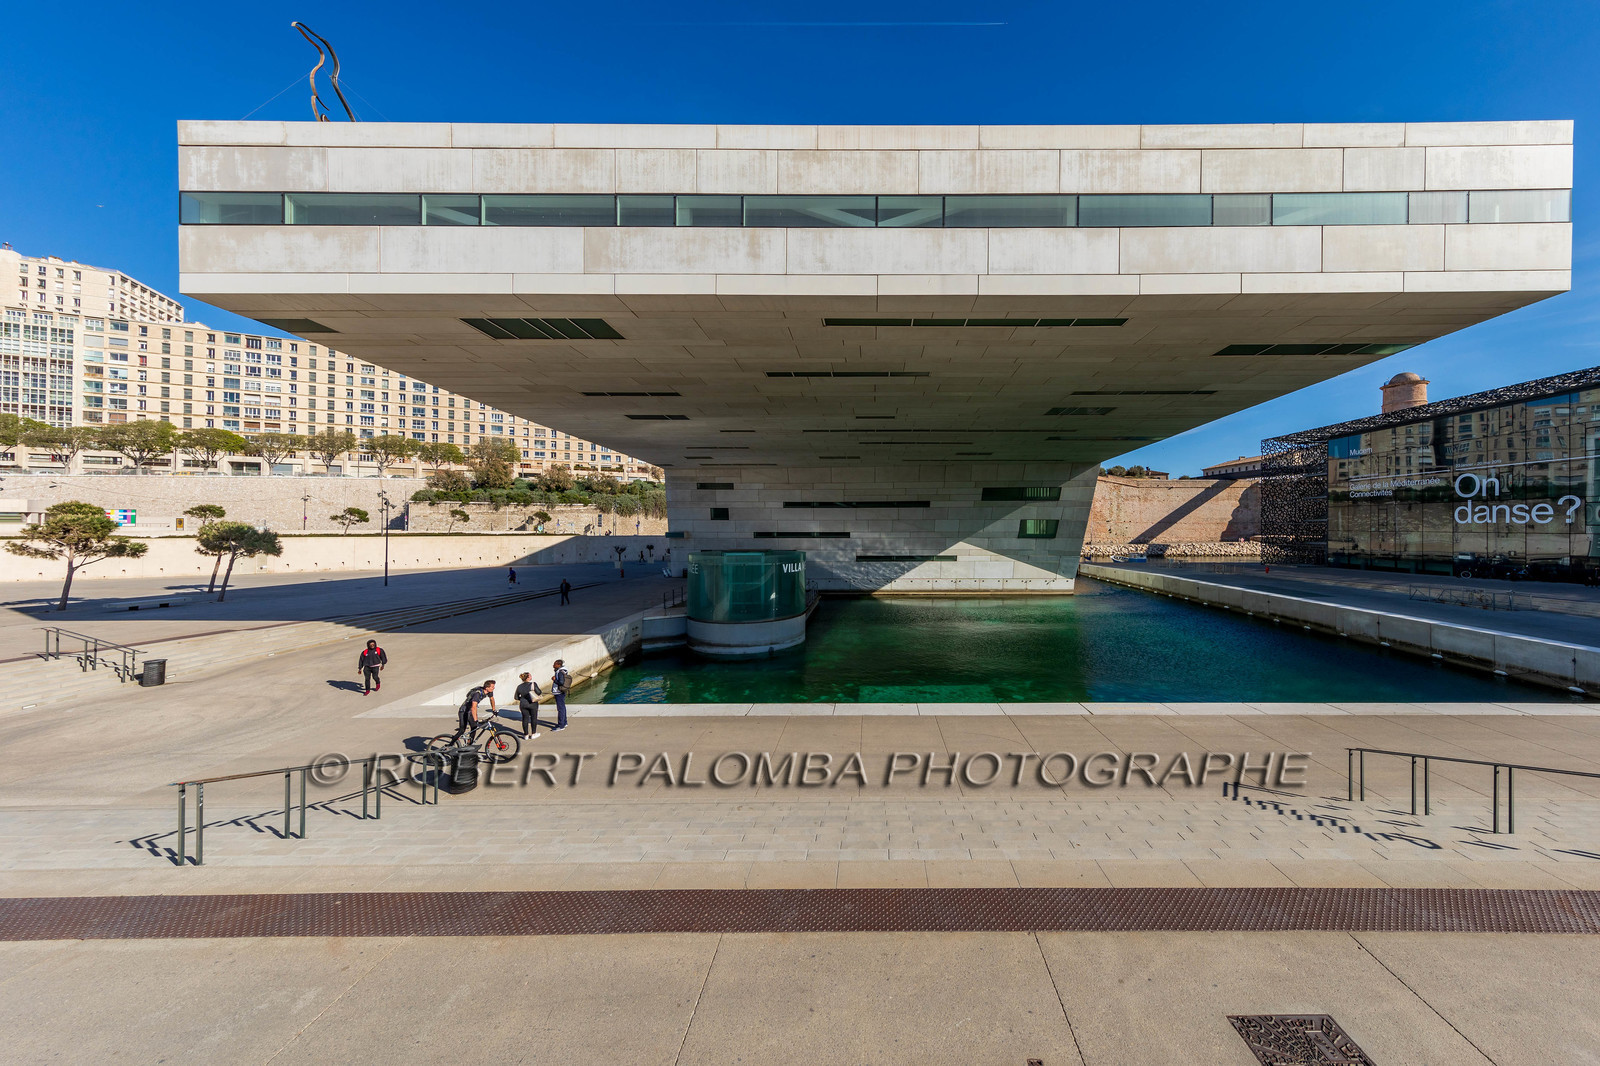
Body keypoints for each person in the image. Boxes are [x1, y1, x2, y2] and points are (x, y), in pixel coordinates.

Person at [452, 679, 497, 745]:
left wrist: (494, 710)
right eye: (492, 687)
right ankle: (449, 745)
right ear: (487, 688)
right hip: (464, 711)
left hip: (470, 711)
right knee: (462, 730)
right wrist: (476, 720)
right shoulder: (477, 694)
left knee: (474, 727)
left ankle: (469, 744)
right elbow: (474, 707)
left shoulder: (489, 692)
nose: (494, 688)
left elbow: (492, 699)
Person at [515, 671, 543, 739]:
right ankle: (533, 733)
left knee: (525, 719)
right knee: (533, 718)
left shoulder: (519, 686)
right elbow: (539, 692)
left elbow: (516, 697)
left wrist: (522, 699)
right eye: (530, 675)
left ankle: (526, 735)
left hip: (523, 704)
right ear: (528, 677)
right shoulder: (533, 684)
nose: (531, 676)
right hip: (532, 703)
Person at [551, 659, 572, 730]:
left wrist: (554, 680)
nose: (553, 665)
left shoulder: (560, 672)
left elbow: (561, 682)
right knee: (562, 707)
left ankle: (561, 725)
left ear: (559, 665)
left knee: (560, 709)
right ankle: (564, 722)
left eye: (554, 664)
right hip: (562, 691)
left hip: (558, 692)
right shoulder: (563, 671)